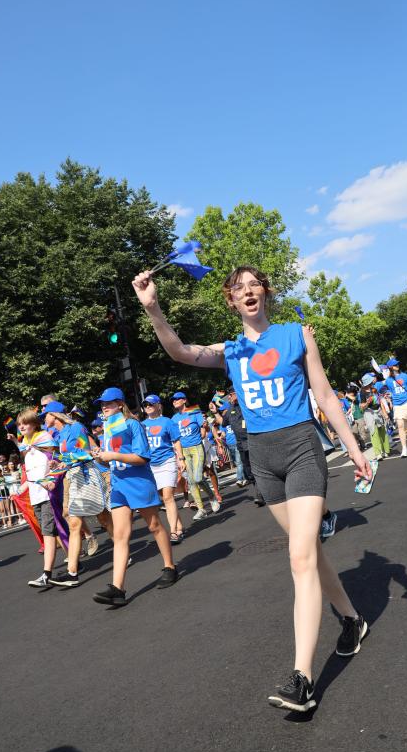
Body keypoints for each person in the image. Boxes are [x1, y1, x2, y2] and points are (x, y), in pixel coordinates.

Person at [133, 264, 371, 713]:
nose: (247, 292)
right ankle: (354, 620)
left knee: (300, 557)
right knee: (312, 554)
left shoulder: (297, 335)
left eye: (254, 285)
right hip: (263, 459)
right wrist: (154, 309)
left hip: (301, 447)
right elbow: (181, 352)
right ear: (230, 300)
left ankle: (302, 679)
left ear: (266, 292)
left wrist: (353, 446)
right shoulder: (232, 349)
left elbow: (323, 393)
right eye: (238, 288)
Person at [92, 387, 178, 606]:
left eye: (109, 403)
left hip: (139, 483)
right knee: (120, 535)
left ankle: (170, 566)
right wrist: (101, 458)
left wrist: (113, 455)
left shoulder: (133, 424)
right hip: (119, 484)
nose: (104, 407)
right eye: (102, 404)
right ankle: (118, 589)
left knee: (154, 526)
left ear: (120, 404)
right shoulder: (107, 428)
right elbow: (109, 458)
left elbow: (143, 457)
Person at [41, 402, 113, 588]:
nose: (44, 420)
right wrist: (57, 464)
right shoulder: (59, 434)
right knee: (74, 523)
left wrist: (66, 461)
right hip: (74, 477)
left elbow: (84, 452)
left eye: (46, 415)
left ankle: (122, 549)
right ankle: (72, 573)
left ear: (54, 415)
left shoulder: (76, 427)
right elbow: (64, 456)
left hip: (87, 475)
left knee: (103, 517)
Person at [12, 408, 62, 589]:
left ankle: (46, 574)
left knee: (49, 533)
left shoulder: (45, 439)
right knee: (53, 532)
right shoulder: (26, 445)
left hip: (48, 495)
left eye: (25, 423)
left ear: (34, 424)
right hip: (36, 496)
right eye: (19, 424)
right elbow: (32, 476)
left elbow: (57, 463)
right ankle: (74, 560)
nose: (21, 426)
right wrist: (21, 489)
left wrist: (52, 481)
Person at [141, 394, 185, 544]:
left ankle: (173, 532)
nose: (147, 406)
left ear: (158, 405)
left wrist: (181, 458)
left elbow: (176, 441)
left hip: (167, 461)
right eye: (145, 404)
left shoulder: (167, 422)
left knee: (168, 497)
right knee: (164, 498)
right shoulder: (142, 425)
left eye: (150, 404)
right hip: (151, 465)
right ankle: (179, 526)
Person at [170, 392, 220, 521]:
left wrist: (204, 427)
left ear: (184, 400)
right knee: (191, 481)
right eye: (173, 400)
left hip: (197, 447)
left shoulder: (195, 413)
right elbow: (175, 439)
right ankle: (201, 509)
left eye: (177, 399)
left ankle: (212, 497)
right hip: (184, 451)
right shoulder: (174, 419)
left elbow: (204, 430)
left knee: (198, 478)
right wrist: (179, 457)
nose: (174, 401)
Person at [213, 387, 265, 504]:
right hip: (240, 444)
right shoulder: (230, 409)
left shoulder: (248, 405)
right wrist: (215, 412)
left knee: (259, 468)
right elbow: (223, 422)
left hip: (253, 441)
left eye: (230, 395)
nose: (229, 398)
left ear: (236, 394)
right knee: (248, 471)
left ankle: (261, 495)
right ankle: (260, 492)